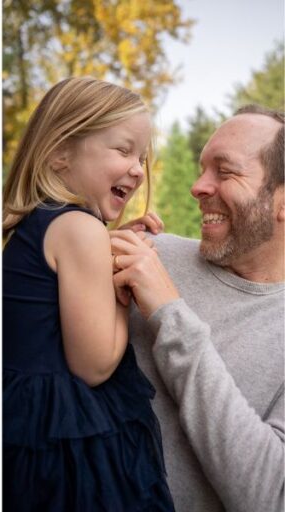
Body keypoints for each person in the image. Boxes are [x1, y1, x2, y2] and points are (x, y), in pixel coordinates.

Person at [1, 77, 173, 511]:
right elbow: (94, 365)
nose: (137, 168)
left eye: (142, 157)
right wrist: (122, 284)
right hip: (71, 456)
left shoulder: (27, 223)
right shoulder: (81, 229)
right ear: (60, 151)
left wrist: (106, 245)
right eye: (123, 149)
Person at [111, 106, 284, 511]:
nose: (198, 186)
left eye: (225, 172)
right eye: (203, 169)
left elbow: (269, 496)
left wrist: (169, 313)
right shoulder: (152, 254)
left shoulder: (157, 279)